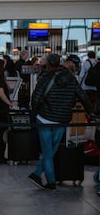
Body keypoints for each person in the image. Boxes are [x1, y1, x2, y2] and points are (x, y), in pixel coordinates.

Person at [28, 53, 92, 190]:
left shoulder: (45, 77)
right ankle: (38, 174)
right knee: (52, 150)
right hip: (62, 119)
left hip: (45, 118)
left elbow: (36, 97)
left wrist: (35, 111)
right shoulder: (71, 78)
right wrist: (90, 112)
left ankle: (48, 180)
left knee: (47, 150)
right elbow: (83, 96)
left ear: (48, 64)